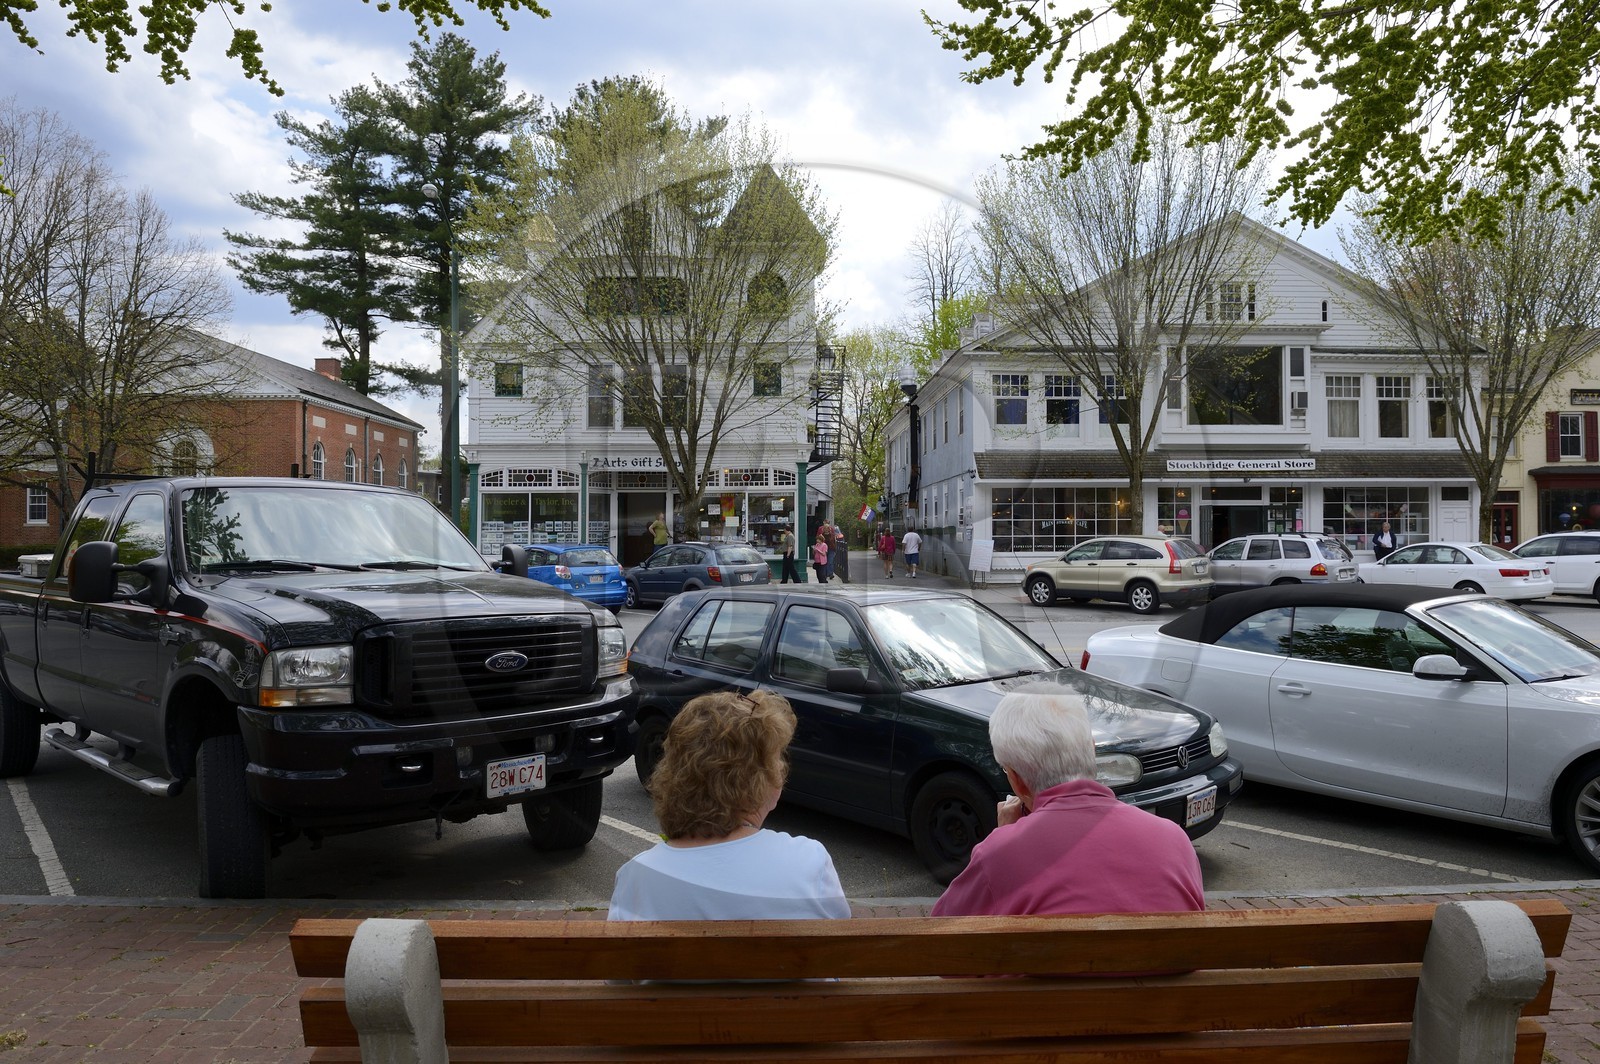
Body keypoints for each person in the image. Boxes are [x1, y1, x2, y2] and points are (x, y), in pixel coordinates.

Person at [932, 686, 1204, 918]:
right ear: (1093, 751)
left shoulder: (999, 854)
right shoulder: (1173, 838)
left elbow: (944, 940)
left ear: (1017, 780)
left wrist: (1004, 836)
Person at [608, 690, 848, 920]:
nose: (782, 772)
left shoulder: (635, 880)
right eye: (776, 760)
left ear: (673, 776)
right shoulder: (809, 862)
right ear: (760, 781)